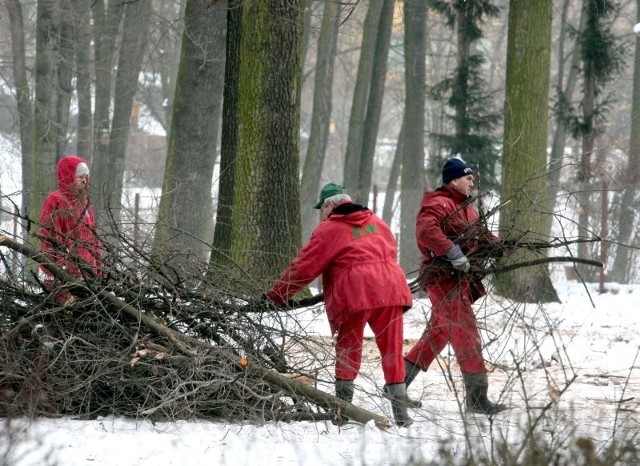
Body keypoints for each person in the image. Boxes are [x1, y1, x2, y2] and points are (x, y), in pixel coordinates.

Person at [266, 182, 414, 427]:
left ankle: (342, 411)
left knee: (348, 348)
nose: (321, 215)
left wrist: (276, 295)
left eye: (322, 209)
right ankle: (401, 414)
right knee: (392, 350)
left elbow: (304, 267)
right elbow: (387, 252)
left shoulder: (330, 228)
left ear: (330, 205)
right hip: (391, 288)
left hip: (356, 293)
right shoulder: (377, 222)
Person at [403, 158, 506, 415]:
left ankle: (396, 384)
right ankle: (476, 398)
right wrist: (452, 251)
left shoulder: (467, 209)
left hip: (458, 280)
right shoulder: (438, 203)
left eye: (472, 178)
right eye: (467, 178)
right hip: (442, 280)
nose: (472, 182)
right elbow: (426, 231)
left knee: (438, 333)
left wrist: (498, 244)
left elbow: (479, 235)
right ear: (453, 180)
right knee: (464, 330)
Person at [39, 155, 102, 306]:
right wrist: (60, 276)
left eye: (86, 177)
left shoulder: (85, 203)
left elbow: (93, 239)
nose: (84, 180)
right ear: (69, 176)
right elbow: (48, 239)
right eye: (80, 176)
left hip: (86, 276)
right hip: (63, 277)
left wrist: (98, 268)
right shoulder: (55, 200)